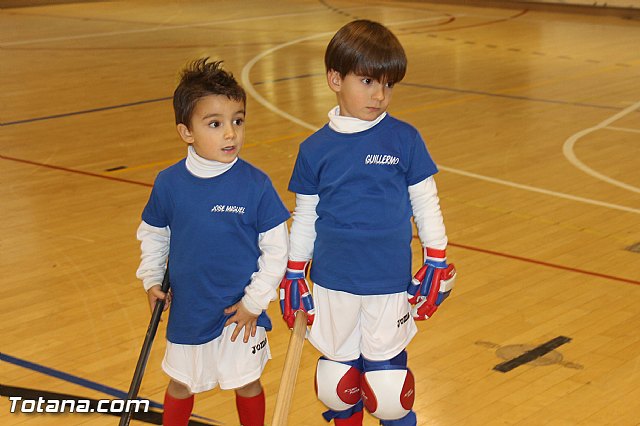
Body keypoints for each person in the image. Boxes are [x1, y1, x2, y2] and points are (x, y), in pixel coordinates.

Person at [278, 20, 456, 426]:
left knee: (389, 392)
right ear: (334, 79)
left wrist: (436, 258)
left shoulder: (404, 139)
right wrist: (292, 270)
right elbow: (305, 215)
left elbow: (426, 202)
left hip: (387, 283)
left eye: (388, 85)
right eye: (368, 81)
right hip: (331, 281)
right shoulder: (314, 149)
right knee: (338, 385)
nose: (379, 95)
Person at [136, 58, 290, 426]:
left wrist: (254, 302)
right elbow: (155, 235)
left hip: (240, 315)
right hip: (190, 309)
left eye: (238, 121)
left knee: (248, 383)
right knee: (179, 384)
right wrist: (152, 280)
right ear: (186, 131)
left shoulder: (256, 184)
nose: (230, 134)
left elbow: (277, 251)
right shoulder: (169, 183)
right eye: (215, 124)